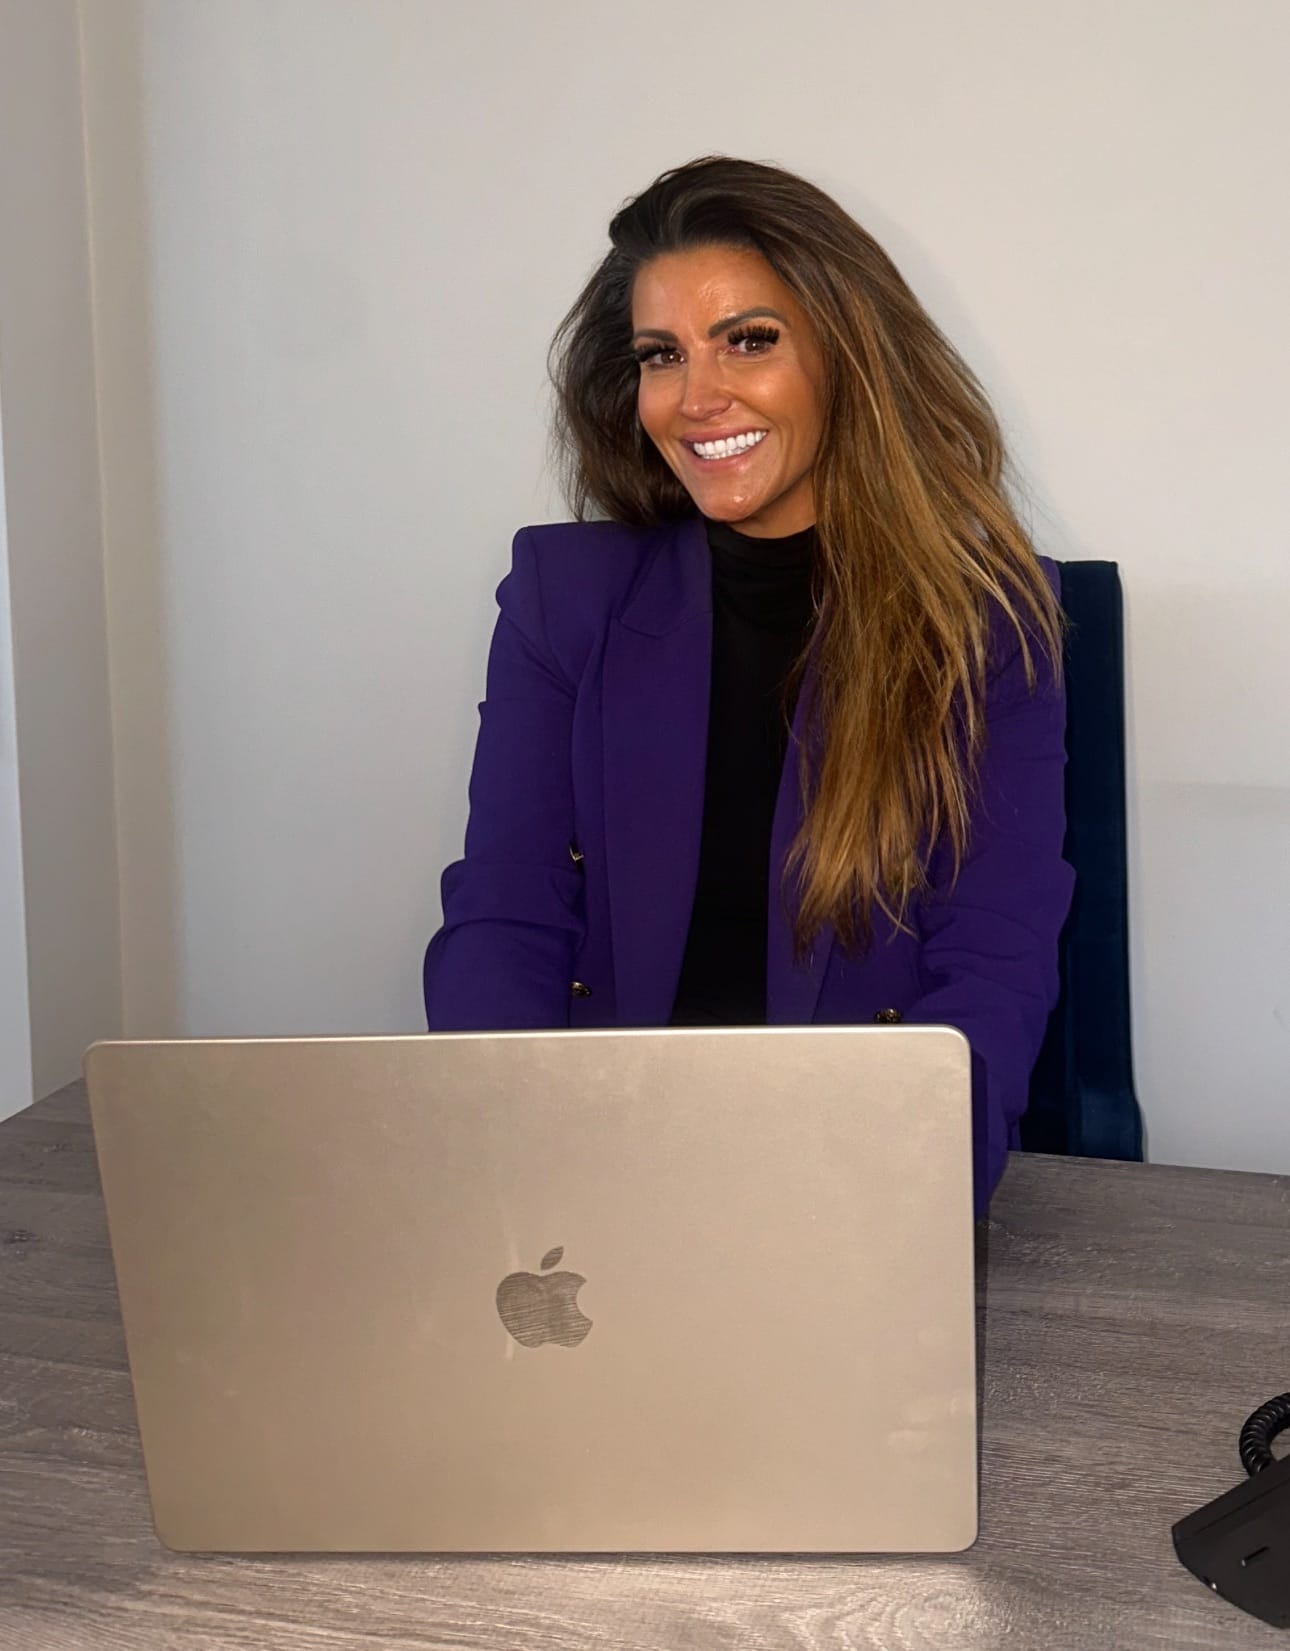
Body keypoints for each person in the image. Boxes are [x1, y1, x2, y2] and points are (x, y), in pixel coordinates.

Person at [423, 155, 1074, 1216]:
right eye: (661, 355)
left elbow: (994, 958)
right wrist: (504, 1161)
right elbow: (506, 910)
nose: (697, 397)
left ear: (847, 356)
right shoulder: (562, 597)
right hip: (587, 1176)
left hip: (850, 1182)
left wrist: (899, 1208)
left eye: (750, 340)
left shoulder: (987, 625)